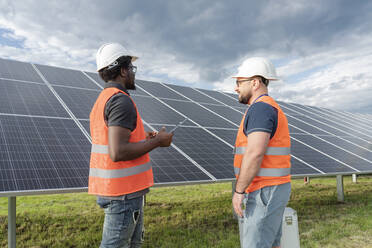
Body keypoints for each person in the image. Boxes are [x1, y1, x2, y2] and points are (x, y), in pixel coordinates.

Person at [88, 42, 173, 248]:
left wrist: (147, 139)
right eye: (131, 69)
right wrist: (158, 142)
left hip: (118, 191)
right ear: (123, 70)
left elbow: (116, 139)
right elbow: (118, 151)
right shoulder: (120, 101)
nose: (133, 74)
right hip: (123, 195)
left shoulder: (104, 98)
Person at [231, 57, 291, 248]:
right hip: (273, 188)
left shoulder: (261, 109)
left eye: (239, 82)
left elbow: (255, 153)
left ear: (255, 82)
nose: (236, 88)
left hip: (264, 190)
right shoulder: (268, 107)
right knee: (272, 243)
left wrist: (239, 191)